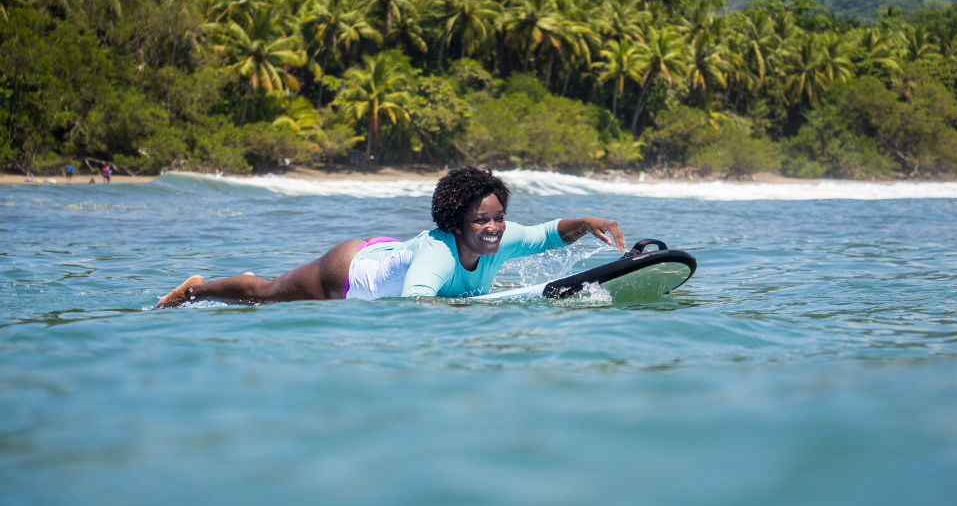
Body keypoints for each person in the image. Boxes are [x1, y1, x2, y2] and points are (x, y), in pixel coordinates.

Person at [156, 166, 625, 307]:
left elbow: (547, 233)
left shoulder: (502, 238)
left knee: (267, 292)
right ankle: (195, 289)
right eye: (482, 220)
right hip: (347, 274)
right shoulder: (438, 258)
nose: (494, 228)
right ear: (455, 222)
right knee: (265, 294)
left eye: (498, 217)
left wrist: (587, 223)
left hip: (391, 251)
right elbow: (415, 304)